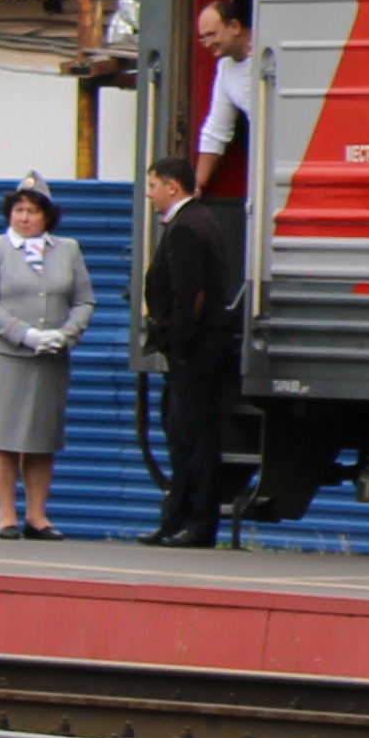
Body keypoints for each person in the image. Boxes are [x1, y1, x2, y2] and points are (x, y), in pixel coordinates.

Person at [0, 175, 93, 537]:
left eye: (32, 211)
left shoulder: (68, 249)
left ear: (47, 216)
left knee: (41, 437)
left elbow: (84, 300)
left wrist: (65, 335)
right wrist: (24, 335)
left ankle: (37, 516)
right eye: (18, 210)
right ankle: (6, 515)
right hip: (4, 357)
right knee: (2, 435)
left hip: (49, 360)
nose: (23, 218)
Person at [139, 153, 242, 547]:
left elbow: (190, 296)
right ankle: (176, 519)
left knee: (194, 438)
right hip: (197, 348)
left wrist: (178, 346)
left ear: (172, 187)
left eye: (152, 186)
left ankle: (198, 524)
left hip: (194, 350)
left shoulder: (185, 228)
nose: (149, 194)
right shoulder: (200, 219)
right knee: (182, 434)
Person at [192, 2, 258, 195]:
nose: (207, 44)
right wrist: (198, 186)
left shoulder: (270, 51)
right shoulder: (225, 68)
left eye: (212, 34)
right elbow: (216, 130)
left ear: (235, 27)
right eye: (203, 38)